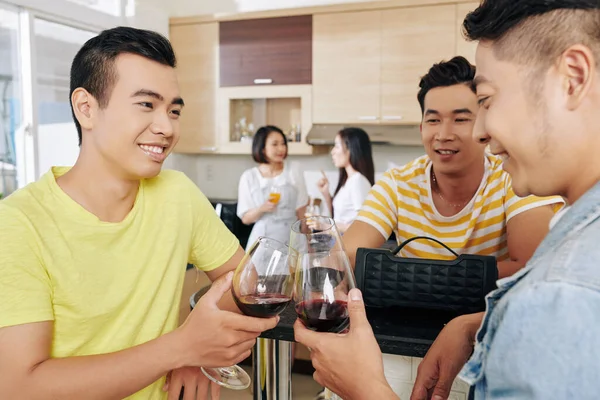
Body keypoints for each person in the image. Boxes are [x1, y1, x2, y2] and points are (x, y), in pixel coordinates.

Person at [298, 1, 600, 399]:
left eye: (483, 104)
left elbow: (537, 280)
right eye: (433, 118)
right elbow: (347, 256)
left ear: (573, 77)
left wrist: (366, 389)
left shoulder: (558, 292)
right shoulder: (573, 247)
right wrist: (476, 321)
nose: (480, 131)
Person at [0, 27, 278, 400]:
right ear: (86, 108)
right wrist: (182, 347)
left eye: (174, 110)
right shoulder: (18, 224)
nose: (166, 128)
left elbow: (244, 279)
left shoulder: (176, 193)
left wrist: (199, 350)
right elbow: (20, 387)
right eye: (147, 105)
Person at [343, 55, 564, 279]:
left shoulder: (514, 176)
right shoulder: (397, 184)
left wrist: (415, 276)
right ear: (421, 129)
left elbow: (533, 265)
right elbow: (346, 256)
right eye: (433, 121)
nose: (444, 135)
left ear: (486, 125)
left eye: (460, 120)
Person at [237, 125, 308, 248]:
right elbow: (246, 219)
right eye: (275, 144)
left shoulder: (294, 170)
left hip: (292, 237)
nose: (281, 148)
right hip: (263, 240)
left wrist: (307, 238)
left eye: (283, 144)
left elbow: (301, 210)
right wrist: (261, 209)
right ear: (262, 148)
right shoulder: (249, 177)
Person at [317, 127, 375, 234]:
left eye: (337, 146)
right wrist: (326, 194)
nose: (332, 151)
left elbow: (363, 228)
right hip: (341, 245)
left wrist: (325, 226)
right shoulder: (349, 180)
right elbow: (338, 217)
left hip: (349, 247)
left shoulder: (358, 181)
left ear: (351, 149)